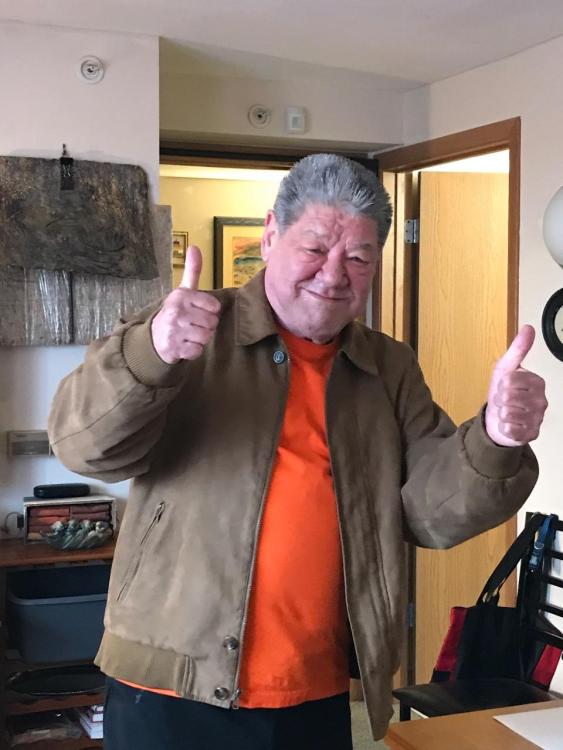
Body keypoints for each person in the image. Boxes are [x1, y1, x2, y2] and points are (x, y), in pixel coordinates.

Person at [48, 154, 547, 749]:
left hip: (315, 688)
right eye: (315, 248)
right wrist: (150, 353)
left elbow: (429, 516)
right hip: (170, 688)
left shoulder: (387, 367)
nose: (333, 275)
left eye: (358, 258)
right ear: (270, 234)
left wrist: (495, 437)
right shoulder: (188, 332)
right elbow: (83, 449)